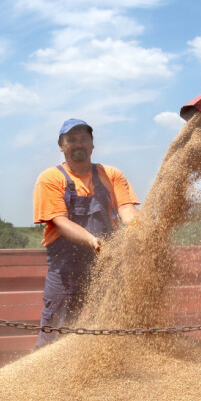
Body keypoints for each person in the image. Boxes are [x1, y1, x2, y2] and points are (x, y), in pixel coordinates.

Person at [32, 118, 140, 349]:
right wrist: (92, 239)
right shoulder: (51, 178)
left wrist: (137, 228)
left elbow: (125, 208)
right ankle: (45, 378)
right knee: (55, 328)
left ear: (92, 144)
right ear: (61, 146)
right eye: (71, 140)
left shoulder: (110, 174)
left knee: (111, 324)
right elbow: (59, 221)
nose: (78, 144)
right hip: (66, 268)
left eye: (83, 139)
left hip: (106, 262)